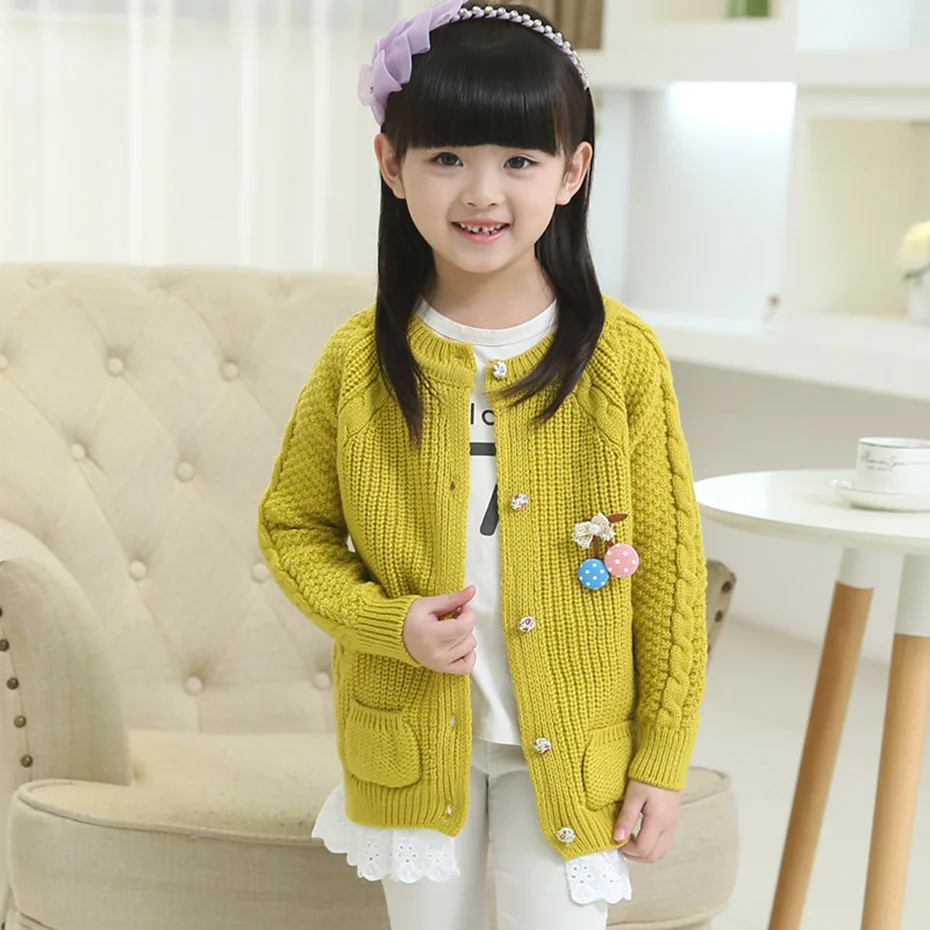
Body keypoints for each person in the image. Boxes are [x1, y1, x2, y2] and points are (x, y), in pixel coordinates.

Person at [257, 3, 707, 929]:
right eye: (448, 157)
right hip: (410, 744)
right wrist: (387, 623)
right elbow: (292, 528)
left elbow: (669, 576)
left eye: (520, 161)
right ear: (391, 164)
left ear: (573, 171)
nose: (482, 193)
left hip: (578, 748)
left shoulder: (621, 359)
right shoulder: (358, 361)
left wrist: (662, 758)